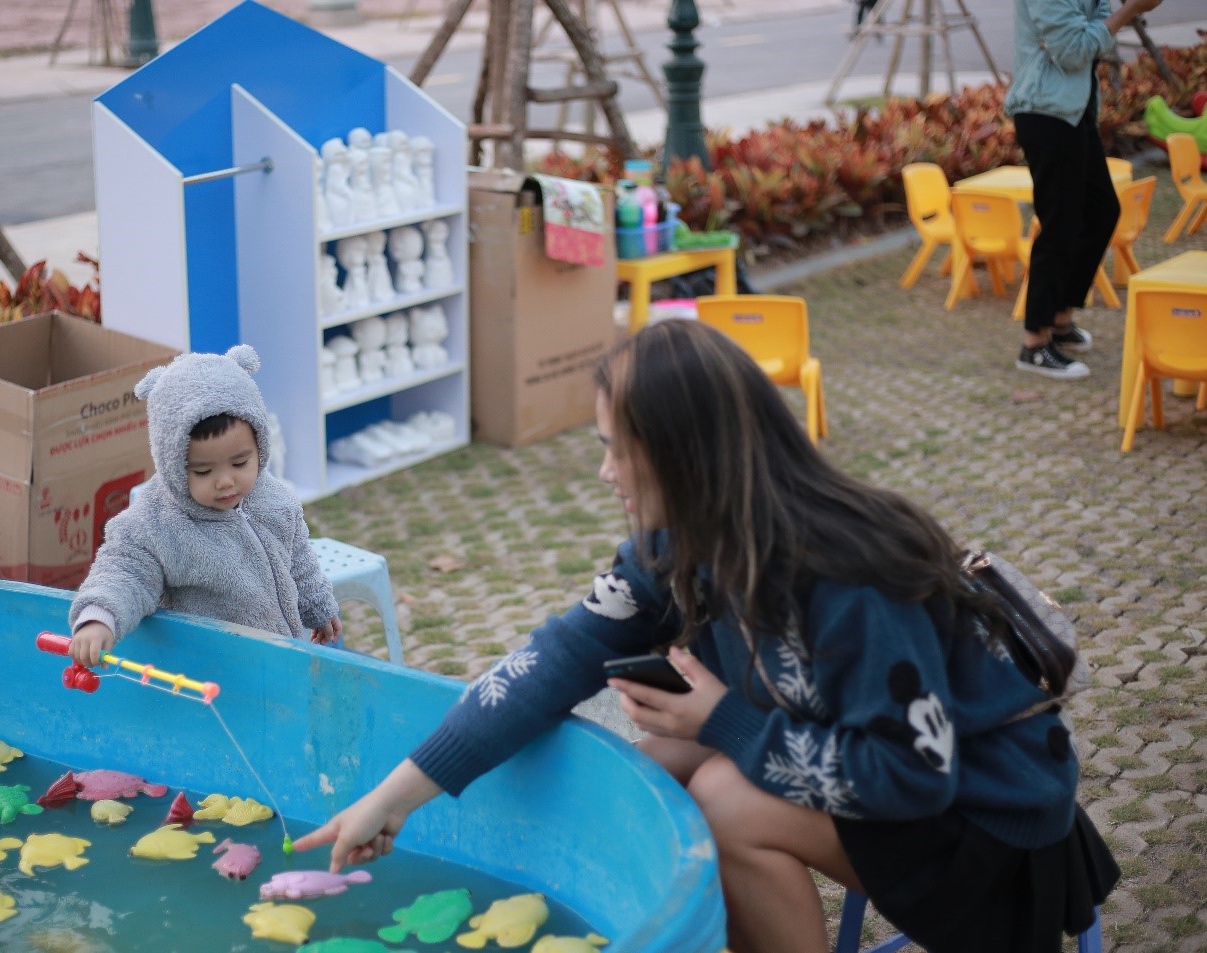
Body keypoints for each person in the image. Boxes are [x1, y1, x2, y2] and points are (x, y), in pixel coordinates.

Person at [294, 321, 1118, 953]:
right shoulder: (679, 547)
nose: (605, 474)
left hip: (996, 843)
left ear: (684, 458)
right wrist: (392, 797)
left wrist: (726, 721)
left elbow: (913, 776)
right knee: (652, 769)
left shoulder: (851, 575)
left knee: (721, 795)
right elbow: (550, 661)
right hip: (902, 793)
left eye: (617, 451)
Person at [67, 345, 341, 667]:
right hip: (210, 674)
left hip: (280, 658)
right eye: (203, 471)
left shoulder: (273, 498)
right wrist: (100, 616)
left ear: (259, 446)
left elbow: (296, 556)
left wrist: (317, 605)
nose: (225, 482)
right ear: (172, 464)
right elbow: (125, 568)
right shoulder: (159, 523)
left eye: (240, 462)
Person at [1004, 0, 1165, 380]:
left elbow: (1091, 34)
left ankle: (1060, 318)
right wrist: (1129, 11)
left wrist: (1099, 24)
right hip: (1046, 111)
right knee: (1059, 224)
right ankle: (1034, 343)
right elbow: (1074, 51)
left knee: (1101, 210)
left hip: (1073, 110)